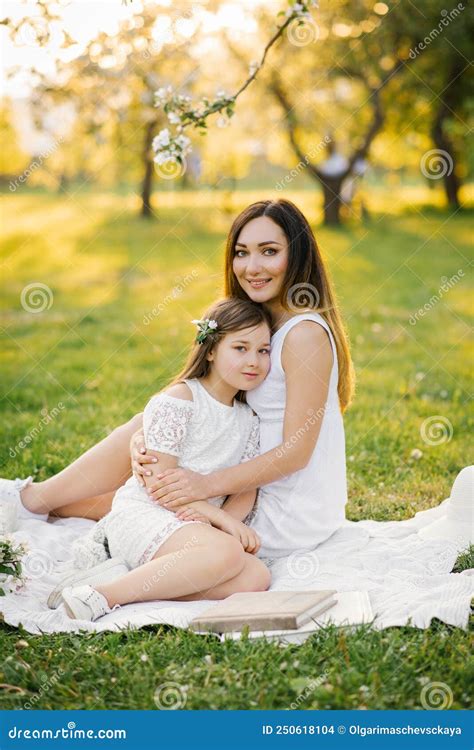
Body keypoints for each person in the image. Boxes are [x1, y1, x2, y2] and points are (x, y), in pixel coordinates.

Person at [0, 199, 354, 591]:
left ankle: (35, 505)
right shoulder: (261, 323)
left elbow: (297, 452)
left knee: (146, 502)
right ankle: (36, 504)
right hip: (238, 474)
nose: (252, 267)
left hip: (277, 502)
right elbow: (207, 400)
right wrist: (145, 441)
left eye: (269, 251)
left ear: (298, 255)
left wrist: (206, 485)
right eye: (242, 253)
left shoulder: (304, 334)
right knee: (131, 491)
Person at [57, 298, 272, 621]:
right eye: (240, 348)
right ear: (211, 350)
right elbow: (158, 485)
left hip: (195, 526)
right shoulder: (180, 399)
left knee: (256, 576)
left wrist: (224, 524)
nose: (253, 360)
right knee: (227, 553)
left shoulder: (249, 420)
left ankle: (126, 582)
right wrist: (220, 522)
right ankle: (102, 596)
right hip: (148, 515)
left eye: (263, 350)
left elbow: (245, 487)